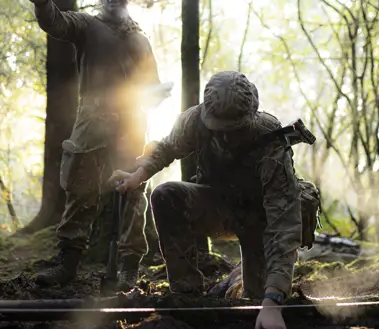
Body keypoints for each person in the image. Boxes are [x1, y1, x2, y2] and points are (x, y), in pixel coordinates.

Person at [109, 71, 320, 329]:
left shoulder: (270, 142)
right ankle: (187, 296)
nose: (227, 136)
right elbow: (167, 147)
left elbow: (283, 225)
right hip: (217, 206)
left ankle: (242, 281)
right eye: (219, 128)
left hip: (259, 220)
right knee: (166, 195)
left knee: (254, 303)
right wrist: (138, 175)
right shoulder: (196, 120)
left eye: (235, 129)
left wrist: (273, 302)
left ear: (251, 116)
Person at [28, 0, 167, 291]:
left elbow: (150, 89)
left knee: (132, 197)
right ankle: (67, 265)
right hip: (91, 121)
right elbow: (54, 22)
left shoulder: (139, 39)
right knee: (80, 191)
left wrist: (157, 93)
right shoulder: (87, 25)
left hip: (131, 125)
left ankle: (129, 269)